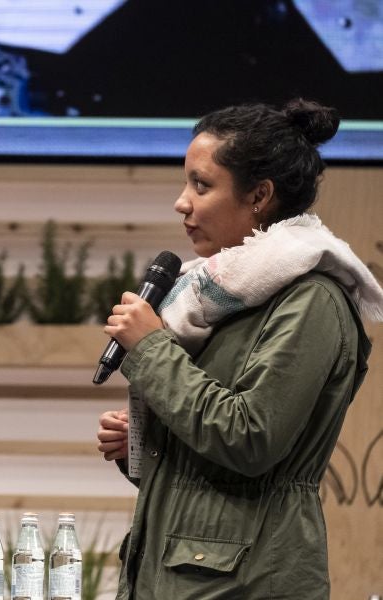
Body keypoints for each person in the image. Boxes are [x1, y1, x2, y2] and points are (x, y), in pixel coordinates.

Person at [95, 98, 383, 599]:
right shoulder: (214, 296)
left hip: (249, 583)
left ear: (260, 196)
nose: (182, 202)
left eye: (202, 185)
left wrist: (152, 348)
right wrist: (148, 447)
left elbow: (250, 439)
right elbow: (210, 481)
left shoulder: (311, 299)